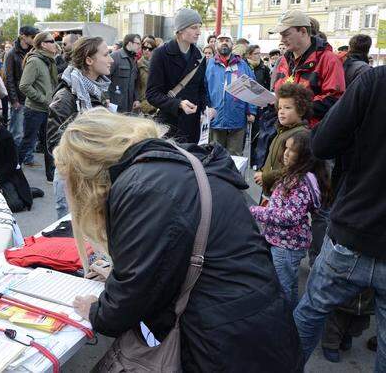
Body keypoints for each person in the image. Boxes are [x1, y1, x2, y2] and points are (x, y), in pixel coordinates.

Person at [56, 109, 303, 372]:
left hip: (225, 345)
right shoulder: (177, 162)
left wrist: (98, 311)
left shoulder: (141, 185)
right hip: (258, 327)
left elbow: (131, 297)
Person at [293, 65, 386, 369]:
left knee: (309, 313)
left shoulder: (375, 81)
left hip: (354, 231)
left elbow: (322, 143)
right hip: (355, 232)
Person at [317, 32, 374, 364]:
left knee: (333, 290)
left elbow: (325, 141)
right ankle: (335, 336)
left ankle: (336, 334)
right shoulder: (365, 76)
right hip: (361, 209)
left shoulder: (364, 79)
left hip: (354, 202)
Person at [250, 130, 330, 309]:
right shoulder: (294, 175)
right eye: (285, 148)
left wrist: (256, 211)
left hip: (286, 246)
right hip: (282, 242)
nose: (285, 153)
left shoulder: (300, 182)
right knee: (289, 287)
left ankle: (287, 327)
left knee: (283, 289)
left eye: (292, 150)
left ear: (305, 155)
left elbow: (289, 216)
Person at [47, 36, 112, 219]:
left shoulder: (95, 90)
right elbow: (55, 144)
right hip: (73, 180)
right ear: (89, 61)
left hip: (94, 176)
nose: (111, 59)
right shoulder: (66, 96)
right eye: (106, 55)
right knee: (74, 241)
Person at [270, 10, 345, 128]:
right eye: (281, 35)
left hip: (311, 133)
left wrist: (295, 108)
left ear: (303, 31)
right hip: (284, 129)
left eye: (286, 34)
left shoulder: (328, 59)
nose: (282, 40)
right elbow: (279, 91)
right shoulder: (284, 60)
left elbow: (334, 100)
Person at [146, 8, 209, 143]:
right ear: (180, 30)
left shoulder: (200, 57)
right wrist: (178, 104)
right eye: (193, 27)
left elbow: (201, 89)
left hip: (192, 126)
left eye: (199, 27)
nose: (198, 32)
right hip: (168, 126)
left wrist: (206, 109)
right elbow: (152, 94)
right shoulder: (161, 54)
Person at [254, 83, 310, 196]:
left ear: (301, 111)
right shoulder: (282, 130)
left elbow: (295, 169)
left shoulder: (300, 135)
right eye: (279, 108)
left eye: (287, 108)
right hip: (273, 190)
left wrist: (266, 177)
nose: (281, 111)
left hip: (284, 194)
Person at [206, 32, 257, 156]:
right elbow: (203, 89)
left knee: (235, 158)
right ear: (216, 44)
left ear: (232, 44)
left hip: (237, 118)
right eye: (221, 40)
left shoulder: (242, 65)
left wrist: (251, 111)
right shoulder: (209, 65)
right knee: (215, 156)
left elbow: (252, 88)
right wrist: (206, 108)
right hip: (216, 118)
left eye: (227, 40)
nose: (224, 42)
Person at [17, 31, 58, 177]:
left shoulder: (49, 60)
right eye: (51, 41)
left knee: (49, 142)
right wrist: (45, 99)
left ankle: (51, 174)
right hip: (34, 110)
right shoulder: (35, 61)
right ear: (43, 44)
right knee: (28, 141)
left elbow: (50, 83)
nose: (55, 44)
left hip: (48, 109)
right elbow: (24, 85)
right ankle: (13, 169)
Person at [5, 25, 39, 147]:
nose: (35, 39)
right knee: (17, 132)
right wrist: (14, 101)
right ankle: (14, 159)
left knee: (30, 131)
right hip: (19, 98)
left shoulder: (33, 52)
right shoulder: (11, 54)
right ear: (23, 37)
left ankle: (27, 158)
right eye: (32, 37)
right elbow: (9, 79)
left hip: (32, 98)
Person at [246, 44, 272, 168]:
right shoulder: (244, 66)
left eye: (259, 53)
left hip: (260, 105)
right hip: (246, 103)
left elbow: (268, 86)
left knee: (257, 133)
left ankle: (255, 161)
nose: (258, 56)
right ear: (249, 54)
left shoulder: (264, 68)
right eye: (256, 53)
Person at [108, 34, 141, 113]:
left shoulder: (134, 59)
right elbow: (105, 78)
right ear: (129, 43)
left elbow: (135, 82)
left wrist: (136, 99)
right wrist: (106, 97)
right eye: (138, 43)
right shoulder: (114, 57)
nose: (140, 46)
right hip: (115, 104)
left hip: (129, 106)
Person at [136, 37, 157, 116]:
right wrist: (139, 102)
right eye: (144, 48)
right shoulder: (137, 65)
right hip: (143, 105)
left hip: (157, 103)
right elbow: (136, 86)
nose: (147, 50)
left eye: (150, 49)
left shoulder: (159, 65)